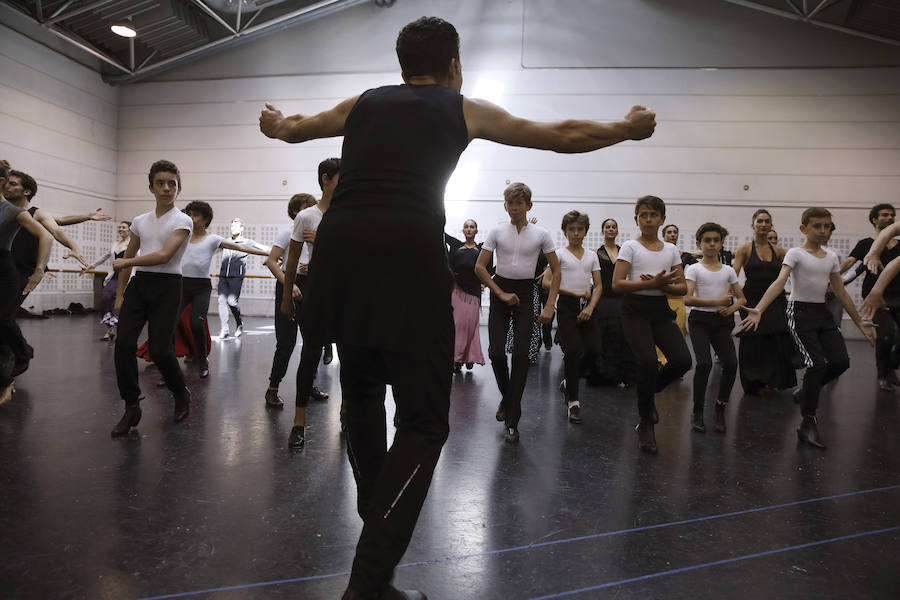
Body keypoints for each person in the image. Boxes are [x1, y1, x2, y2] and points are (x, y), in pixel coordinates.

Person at [259, 16, 655, 599]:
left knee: (363, 392)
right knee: (423, 423)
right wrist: (625, 127)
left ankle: (378, 541)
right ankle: (366, 586)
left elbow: (294, 128)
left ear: (401, 66)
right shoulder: (461, 106)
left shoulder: (364, 102)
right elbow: (560, 133)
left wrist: (273, 123)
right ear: (453, 66)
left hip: (340, 255)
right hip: (405, 253)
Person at [740, 207, 875, 449]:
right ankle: (808, 423)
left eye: (827, 226)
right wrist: (759, 309)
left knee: (841, 362)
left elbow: (840, 291)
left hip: (821, 314)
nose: (823, 231)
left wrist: (859, 322)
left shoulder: (831, 258)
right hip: (798, 313)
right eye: (817, 226)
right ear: (804, 228)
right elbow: (780, 282)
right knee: (816, 364)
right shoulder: (795, 253)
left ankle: (806, 391)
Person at [110, 160, 193, 437]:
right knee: (122, 344)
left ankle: (180, 393)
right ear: (151, 187)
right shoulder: (139, 221)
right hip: (139, 285)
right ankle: (131, 405)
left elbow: (163, 255)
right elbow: (127, 261)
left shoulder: (183, 220)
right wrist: (120, 294)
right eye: (161, 183)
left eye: (172, 183)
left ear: (179, 188)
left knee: (160, 350)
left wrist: (126, 262)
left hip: (168, 286)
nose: (167, 188)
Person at [476, 183, 560, 443]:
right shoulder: (497, 231)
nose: (513, 208)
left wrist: (549, 306)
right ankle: (510, 400)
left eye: (518, 203)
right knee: (496, 353)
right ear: (505, 206)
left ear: (528, 206)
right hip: (502, 290)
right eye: (509, 203)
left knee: (522, 355)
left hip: (525, 294)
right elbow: (480, 267)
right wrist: (499, 294)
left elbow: (556, 271)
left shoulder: (542, 234)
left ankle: (512, 419)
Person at [613, 196, 691, 454]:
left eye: (653, 215)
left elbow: (681, 287)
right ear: (636, 219)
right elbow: (617, 284)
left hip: (659, 310)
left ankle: (648, 390)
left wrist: (663, 285)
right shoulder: (629, 247)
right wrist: (649, 284)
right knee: (647, 361)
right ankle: (646, 422)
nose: (648, 219)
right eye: (643, 215)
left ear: (662, 219)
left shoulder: (671, 250)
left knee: (682, 361)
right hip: (634, 310)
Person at [279, 157, 341, 451]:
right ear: (326, 179)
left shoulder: (349, 214)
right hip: (315, 287)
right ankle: (299, 421)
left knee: (351, 357)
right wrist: (286, 295)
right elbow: (291, 259)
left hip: (345, 287)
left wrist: (325, 239)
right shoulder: (306, 216)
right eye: (343, 177)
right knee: (310, 354)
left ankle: (346, 414)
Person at [177, 201, 268, 377]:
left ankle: (202, 359)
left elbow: (242, 247)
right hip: (182, 285)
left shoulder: (213, 239)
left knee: (196, 324)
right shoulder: (182, 237)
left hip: (200, 288)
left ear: (205, 220)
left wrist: (271, 254)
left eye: (195, 215)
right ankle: (169, 367)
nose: (191, 218)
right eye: (189, 214)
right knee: (171, 324)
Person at [684, 223, 745, 433]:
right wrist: (718, 301)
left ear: (721, 244)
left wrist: (731, 308)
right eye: (707, 240)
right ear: (699, 244)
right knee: (704, 364)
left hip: (720, 322)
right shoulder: (694, 268)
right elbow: (688, 298)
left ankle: (720, 407)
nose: (711, 244)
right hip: (700, 320)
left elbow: (741, 298)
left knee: (730, 363)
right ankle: (698, 411)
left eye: (715, 240)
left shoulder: (728, 270)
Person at [263, 193, 323, 409]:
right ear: (295, 212)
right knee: (287, 342)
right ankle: (273, 388)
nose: (309, 212)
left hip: (312, 286)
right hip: (290, 285)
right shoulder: (287, 232)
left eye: (311, 208)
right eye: (304, 208)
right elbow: (271, 261)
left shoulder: (320, 234)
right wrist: (290, 285)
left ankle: (309, 385)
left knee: (312, 342)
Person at [544, 210, 601, 424]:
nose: (576, 233)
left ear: (585, 231)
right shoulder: (559, 255)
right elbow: (547, 282)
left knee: (594, 350)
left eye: (580, 229)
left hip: (588, 307)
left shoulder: (592, 256)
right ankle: (573, 402)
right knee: (573, 351)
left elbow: (599, 285)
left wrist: (591, 306)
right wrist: (573, 292)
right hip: (568, 307)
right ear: (565, 231)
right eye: (572, 229)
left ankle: (570, 381)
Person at [732, 209, 797, 394]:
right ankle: (753, 381)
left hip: (775, 299)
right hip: (751, 298)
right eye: (759, 221)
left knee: (776, 336)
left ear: (771, 225)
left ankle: (774, 379)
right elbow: (733, 275)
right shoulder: (744, 249)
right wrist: (731, 297)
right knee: (753, 336)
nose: (763, 224)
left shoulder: (779, 251)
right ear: (753, 225)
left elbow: (792, 273)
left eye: (767, 221)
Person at [0, 162, 51, 391]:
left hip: (7, 272)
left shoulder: (13, 211)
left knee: (3, 319)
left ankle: (22, 354)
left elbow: (49, 235)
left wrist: (39, 270)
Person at [5, 170, 90, 302]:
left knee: (5, 315)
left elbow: (57, 230)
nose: (6, 186)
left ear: (26, 192)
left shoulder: (37, 213)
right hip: (4, 265)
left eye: (12, 184)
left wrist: (74, 247)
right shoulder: (4, 210)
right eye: (6, 183)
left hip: (21, 272)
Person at [840, 203, 899, 390]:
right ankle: (883, 374)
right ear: (874, 219)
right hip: (876, 297)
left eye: (892, 215)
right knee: (887, 334)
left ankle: (890, 365)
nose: (889, 218)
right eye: (884, 215)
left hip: (898, 294)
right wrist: (834, 278)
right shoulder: (866, 243)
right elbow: (852, 263)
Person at [590, 219, 637, 386]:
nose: (611, 229)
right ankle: (605, 375)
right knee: (604, 336)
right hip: (603, 299)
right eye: (607, 227)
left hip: (621, 298)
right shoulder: (596, 253)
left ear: (617, 231)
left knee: (623, 336)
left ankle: (623, 375)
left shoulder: (624, 251)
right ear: (602, 231)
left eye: (613, 227)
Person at [445, 219, 488, 373]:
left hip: (474, 291)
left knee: (471, 326)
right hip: (457, 291)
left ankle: (469, 356)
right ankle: (457, 359)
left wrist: (485, 282)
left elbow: (488, 269)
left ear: (476, 231)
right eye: (466, 227)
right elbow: (442, 235)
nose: (469, 229)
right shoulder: (456, 246)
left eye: (472, 227)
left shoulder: (482, 249)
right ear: (463, 231)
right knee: (458, 326)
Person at [217, 217, 268, 339]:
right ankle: (224, 329)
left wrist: (277, 254)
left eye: (236, 226)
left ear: (241, 228)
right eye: (232, 226)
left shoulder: (247, 242)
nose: (233, 228)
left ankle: (239, 323)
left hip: (236, 276)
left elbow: (263, 248)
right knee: (221, 301)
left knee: (232, 302)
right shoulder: (226, 241)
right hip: (223, 276)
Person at [82, 221, 131, 341]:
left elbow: (139, 259)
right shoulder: (115, 244)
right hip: (114, 276)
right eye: (119, 227)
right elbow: (104, 257)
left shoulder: (133, 244)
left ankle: (124, 331)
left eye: (123, 227)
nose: (121, 229)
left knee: (121, 303)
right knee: (105, 297)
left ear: (130, 230)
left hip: (127, 276)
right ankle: (109, 330)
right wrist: (90, 266)